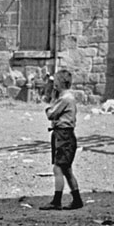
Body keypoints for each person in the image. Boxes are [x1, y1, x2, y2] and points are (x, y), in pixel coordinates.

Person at [40, 68, 84, 210]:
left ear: (60, 83)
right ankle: (76, 199)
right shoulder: (65, 97)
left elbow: (51, 114)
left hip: (63, 135)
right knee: (66, 169)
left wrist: (48, 105)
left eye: (55, 81)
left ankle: (57, 200)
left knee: (58, 168)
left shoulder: (65, 99)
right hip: (62, 134)